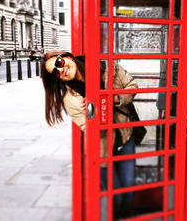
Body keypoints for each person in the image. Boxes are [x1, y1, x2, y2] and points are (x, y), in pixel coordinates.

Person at [40, 50, 138, 218]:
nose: (61, 70)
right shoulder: (70, 101)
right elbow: (90, 130)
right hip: (102, 150)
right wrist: (94, 115)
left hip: (125, 137)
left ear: (67, 56)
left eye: (59, 63)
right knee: (117, 197)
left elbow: (132, 87)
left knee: (129, 191)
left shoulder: (107, 68)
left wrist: (108, 98)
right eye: (56, 73)